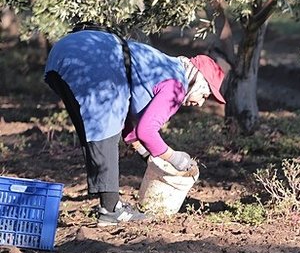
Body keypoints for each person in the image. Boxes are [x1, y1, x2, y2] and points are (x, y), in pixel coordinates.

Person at [44, 26, 226, 226]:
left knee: (95, 132)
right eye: (205, 95)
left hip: (63, 53)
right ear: (198, 81)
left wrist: (146, 155)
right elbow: (146, 130)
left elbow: (131, 120)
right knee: (105, 129)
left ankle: (109, 207)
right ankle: (111, 210)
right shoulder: (177, 85)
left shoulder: (166, 66)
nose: (200, 103)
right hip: (90, 60)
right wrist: (175, 159)